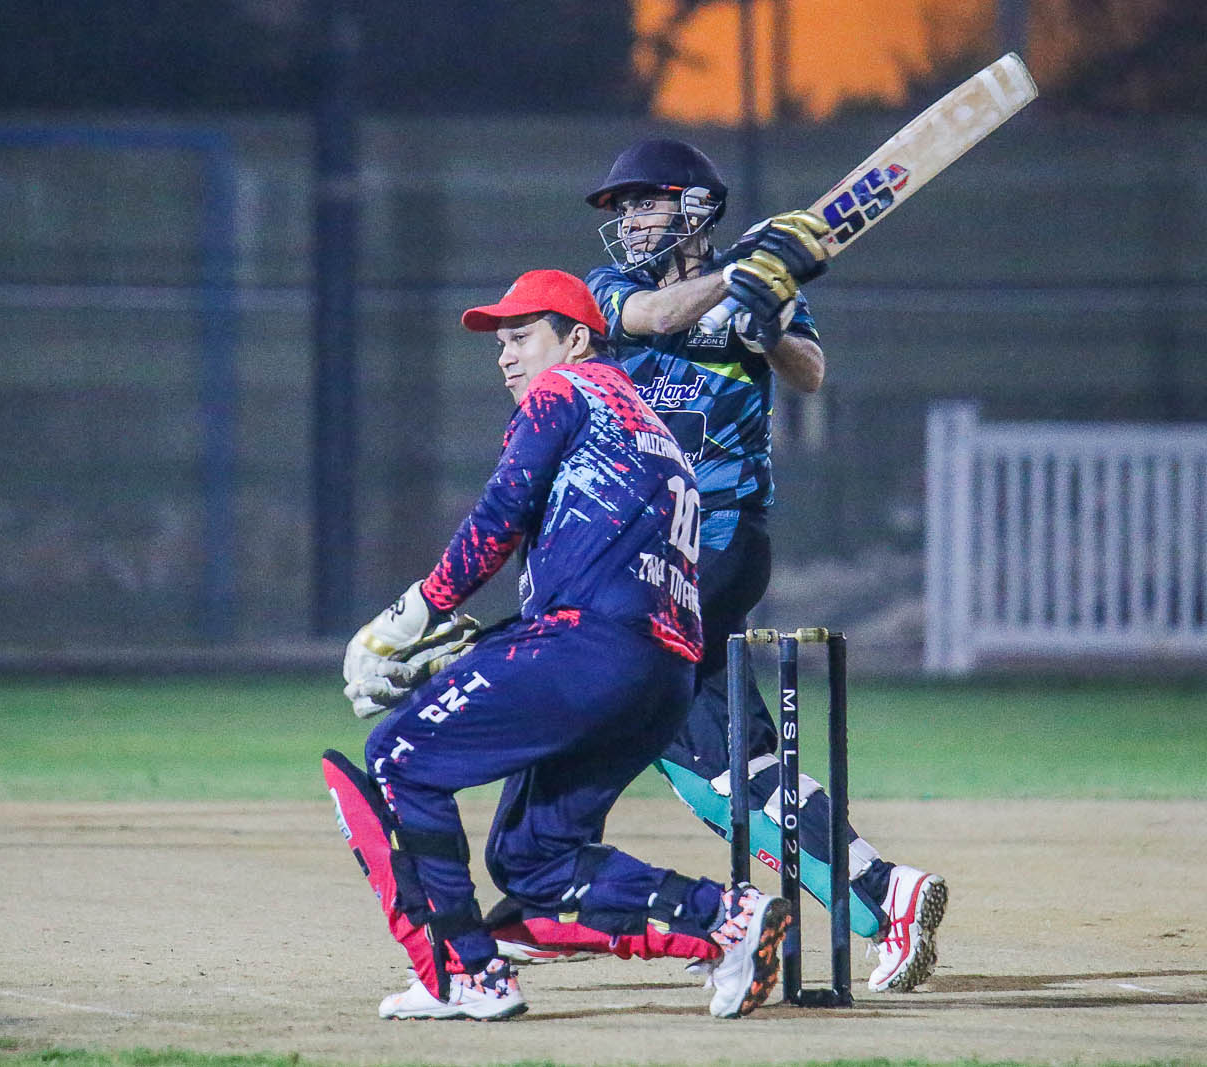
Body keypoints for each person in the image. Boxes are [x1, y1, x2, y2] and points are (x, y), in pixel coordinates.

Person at [489, 136, 940, 993]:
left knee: (650, 722)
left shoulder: (758, 289)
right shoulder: (614, 291)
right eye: (621, 209)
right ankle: (553, 893)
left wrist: (767, 323)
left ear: (694, 207)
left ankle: (554, 889)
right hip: (642, 550)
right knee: (706, 756)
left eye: (643, 203)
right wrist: (744, 278)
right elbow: (656, 318)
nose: (628, 221)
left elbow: (808, 372)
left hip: (720, 539)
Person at [329, 268, 799, 1021]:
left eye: (522, 337)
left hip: (590, 648)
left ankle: (468, 975)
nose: (505, 356)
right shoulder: (645, 423)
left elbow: (501, 511)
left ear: (577, 340)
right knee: (532, 857)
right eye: (500, 343)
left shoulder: (568, 390)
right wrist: (482, 652)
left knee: (398, 758)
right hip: (663, 672)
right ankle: (727, 918)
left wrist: (416, 610)